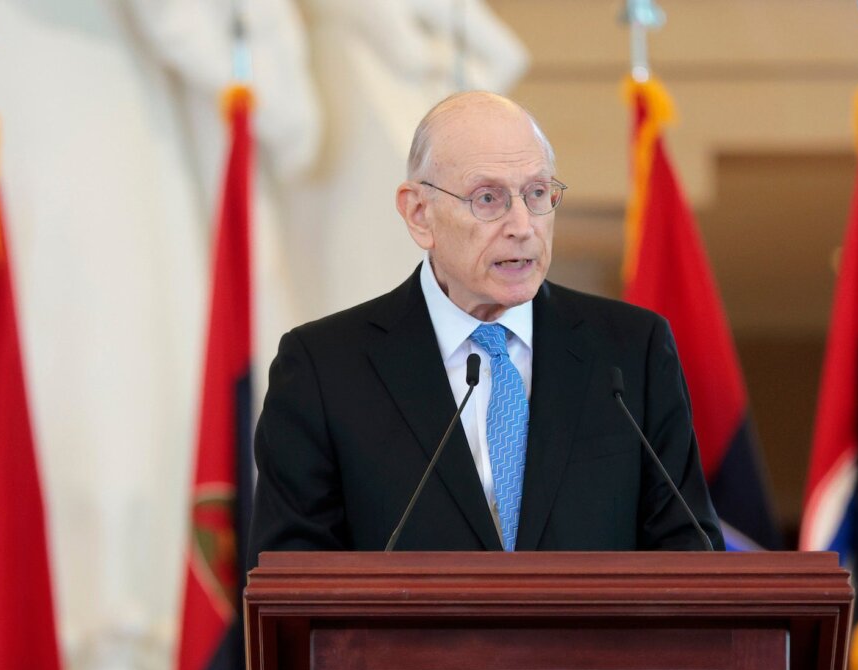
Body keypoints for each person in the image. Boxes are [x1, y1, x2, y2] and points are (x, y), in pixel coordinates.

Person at [248, 91, 724, 557]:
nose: (523, 224)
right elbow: (292, 587)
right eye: (488, 198)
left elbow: (691, 556)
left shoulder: (632, 352)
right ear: (419, 214)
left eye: (537, 193)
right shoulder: (324, 370)